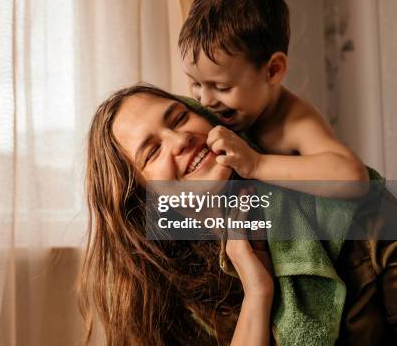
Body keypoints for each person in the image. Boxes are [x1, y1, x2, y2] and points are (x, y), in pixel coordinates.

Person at [78, 84, 397, 345]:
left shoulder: (346, 208)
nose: (180, 139)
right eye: (152, 151)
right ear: (143, 198)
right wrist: (257, 293)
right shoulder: (159, 297)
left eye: (178, 118)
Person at [178, 0, 368, 198]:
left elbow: (353, 178)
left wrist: (257, 164)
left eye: (222, 87)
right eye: (196, 83)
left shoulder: (295, 121)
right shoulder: (219, 112)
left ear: (273, 71)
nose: (205, 99)